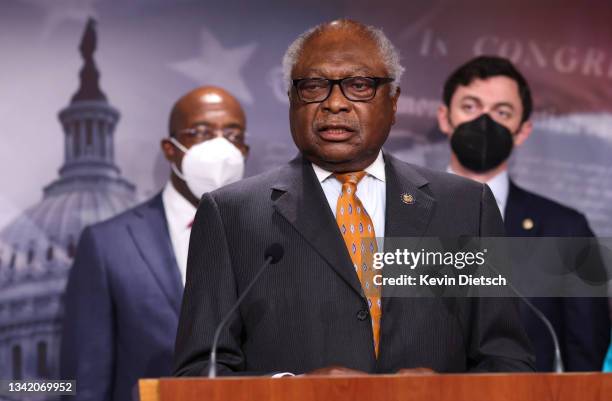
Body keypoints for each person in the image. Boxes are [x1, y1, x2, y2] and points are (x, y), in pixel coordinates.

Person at [173, 20, 534, 376]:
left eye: (358, 86)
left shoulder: (467, 208)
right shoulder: (231, 214)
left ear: (393, 103)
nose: (334, 104)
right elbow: (200, 372)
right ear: (291, 101)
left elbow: (506, 361)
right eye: (314, 86)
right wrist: (292, 392)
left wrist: (446, 394)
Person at [60, 86, 249, 400]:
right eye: (201, 133)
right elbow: (86, 379)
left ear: (245, 151)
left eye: (232, 135)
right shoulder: (108, 244)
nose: (220, 146)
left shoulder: (270, 236)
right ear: (170, 148)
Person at [437, 55, 610, 371]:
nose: (484, 121)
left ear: (522, 131)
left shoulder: (565, 229)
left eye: (502, 112)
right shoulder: (392, 210)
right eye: (471, 107)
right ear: (444, 118)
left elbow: (586, 352)